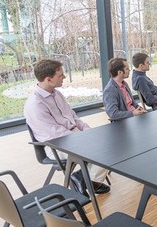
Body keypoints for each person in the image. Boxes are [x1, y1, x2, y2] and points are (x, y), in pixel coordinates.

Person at [24, 59, 110, 195]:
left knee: (107, 142)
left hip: (72, 136)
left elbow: (73, 116)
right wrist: (84, 138)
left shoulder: (57, 94)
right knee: (104, 148)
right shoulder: (35, 104)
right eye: (60, 75)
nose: (64, 77)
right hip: (56, 145)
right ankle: (90, 180)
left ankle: (84, 179)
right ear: (48, 79)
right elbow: (54, 134)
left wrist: (87, 130)